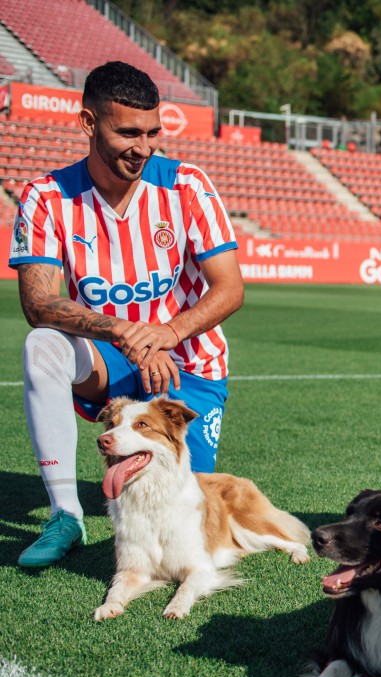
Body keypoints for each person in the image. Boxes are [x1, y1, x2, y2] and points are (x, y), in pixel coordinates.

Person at [12, 60, 244, 568]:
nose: (143, 147)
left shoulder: (187, 185)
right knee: (42, 346)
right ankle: (65, 516)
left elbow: (229, 288)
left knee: (191, 504)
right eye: (127, 132)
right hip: (108, 361)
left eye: (153, 132)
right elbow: (38, 303)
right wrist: (122, 330)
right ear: (89, 123)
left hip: (187, 360)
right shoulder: (46, 198)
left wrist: (165, 333)